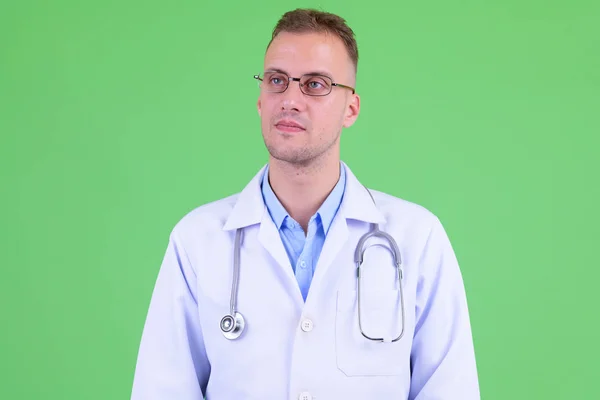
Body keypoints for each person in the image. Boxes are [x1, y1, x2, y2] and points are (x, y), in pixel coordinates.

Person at [131, 8, 480, 400]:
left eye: (315, 84)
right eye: (277, 81)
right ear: (261, 101)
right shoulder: (196, 241)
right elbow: (162, 390)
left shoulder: (418, 239)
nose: (290, 100)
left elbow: (450, 389)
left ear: (351, 109)